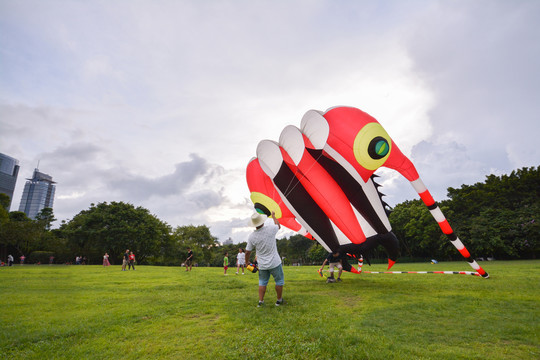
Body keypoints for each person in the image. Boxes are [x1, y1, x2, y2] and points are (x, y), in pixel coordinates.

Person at [245, 211, 284, 307]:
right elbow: (278, 226)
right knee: (279, 281)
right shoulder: (271, 229)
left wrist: (246, 262)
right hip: (275, 262)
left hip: (262, 264)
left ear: (254, 224)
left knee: (262, 283)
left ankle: (261, 302)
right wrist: (274, 216)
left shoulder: (252, 236)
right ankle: (279, 300)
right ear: (262, 221)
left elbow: (247, 252)